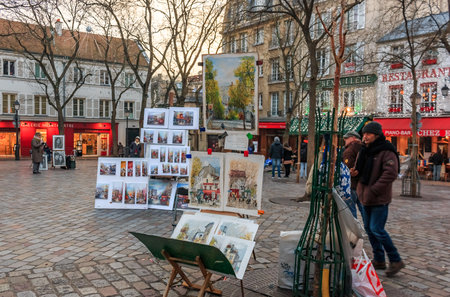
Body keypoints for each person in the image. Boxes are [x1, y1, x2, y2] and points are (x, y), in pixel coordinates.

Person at [354, 121, 404, 276]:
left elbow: (390, 173)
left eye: (368, 134)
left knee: (377, 229)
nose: (365, 136)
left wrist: (374, 189)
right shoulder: (365, 150)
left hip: (378, 198)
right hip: (364, 196)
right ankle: (379, 259)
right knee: (369, 229)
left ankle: (395, 260)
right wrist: (354, 173)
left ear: (376, 135)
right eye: (364, 133)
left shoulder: (386, 151)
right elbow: (360, 169)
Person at [342, 131, 364, 219]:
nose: (345, 140)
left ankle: (354, 230)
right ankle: (369, 229)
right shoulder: (363, 148)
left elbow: (347, 168)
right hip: (361, 184)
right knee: (363, 209)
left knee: (351, 211)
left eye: (347, 138)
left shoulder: (350, 149)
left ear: (353, 138)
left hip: (351, 183)